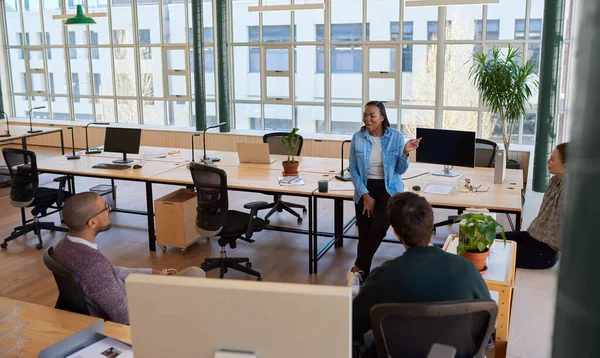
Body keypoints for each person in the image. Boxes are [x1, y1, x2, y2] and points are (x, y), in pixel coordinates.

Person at [352, 192, 491, 354]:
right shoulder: (467, 268)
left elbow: (352, 323)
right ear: (431, 226)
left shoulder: (383, 276)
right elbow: (485, 322)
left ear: (396, 233)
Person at [53, 192, 205, 325]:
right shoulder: (94, 265)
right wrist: (155, 298)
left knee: (192, 274)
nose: (109, 210)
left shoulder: (63, 246)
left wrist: (152, 273)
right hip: (134, 313)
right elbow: (124, 317)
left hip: (126, 296)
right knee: (195, 279)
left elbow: (112, 272)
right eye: (105, 208)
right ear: (92, 223)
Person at [347, 101, 421, 295]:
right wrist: (365, 195)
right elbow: (353, 169)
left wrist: (405, 152)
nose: (367, 119)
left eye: (372, 115)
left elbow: (400, 170)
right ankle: (363, 283)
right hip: (365, 188)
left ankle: (356, 269)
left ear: (382, 117)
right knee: (365, 234)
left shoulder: (395, 136)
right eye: (365, 115)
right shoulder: (358, 138)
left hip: (389, 188)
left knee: (379, 228)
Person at [500, 143, 567, 269]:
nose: (548, 161)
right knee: (489, 240)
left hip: (544, 252)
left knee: (492, 252)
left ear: (565, 166)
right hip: (530, 237)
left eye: (552, 159)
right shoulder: (555, 180)